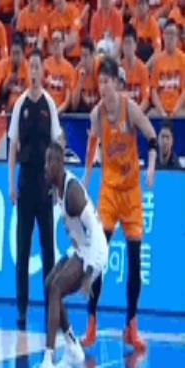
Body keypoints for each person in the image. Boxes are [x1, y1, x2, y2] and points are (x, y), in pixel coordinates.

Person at [82, 56, 157, 351]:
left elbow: (152, 137)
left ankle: (131, 326)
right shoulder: (96, 115)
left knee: (135, 262)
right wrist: (87, 178)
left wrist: (151, 167)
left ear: (115, 82)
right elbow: (92, 146)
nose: (102, 87)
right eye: (99, 81)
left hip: (132, 194)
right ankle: (91, 323)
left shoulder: (130, 109)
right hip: (110, 193)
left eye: (106, 81)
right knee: (99, 257)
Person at [25, 142, 108, 368]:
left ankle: (48, 365)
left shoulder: (72, 194)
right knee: (49, 283)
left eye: (49, 162)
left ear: (60, 164)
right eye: (45, 162)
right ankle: (72, 347)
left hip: (94, 252)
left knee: (56, 288)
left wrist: (89, 274)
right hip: (81, 248)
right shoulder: (57, 188)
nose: (45, 167)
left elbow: (96, 234)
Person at [8, 48, 62, 329]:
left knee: (48, 251)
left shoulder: (49, 104)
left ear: (43, 71)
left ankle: (51, 304)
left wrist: (57, 181)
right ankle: (21, 309)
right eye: (31, 67)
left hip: (44, 185)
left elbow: (57, 143)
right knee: (23, 249)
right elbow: (12, 148)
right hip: (25, 183)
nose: (34, 71)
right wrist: (11, 184)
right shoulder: (20, 105)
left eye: (38, 67)